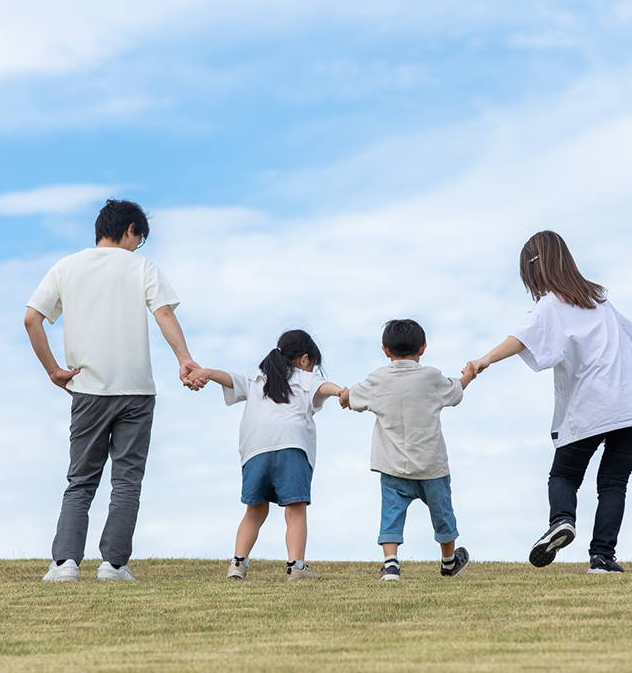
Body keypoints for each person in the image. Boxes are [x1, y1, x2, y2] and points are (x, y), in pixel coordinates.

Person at [466, 230, 632, 574]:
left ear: (534, 270)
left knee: (563, 475)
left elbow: (519, 339)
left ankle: (562, 520)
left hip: (595, 403)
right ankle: (602, 558)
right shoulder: (598, 298)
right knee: (613, 483)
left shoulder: (550, 304)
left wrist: (483, 361)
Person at [25, 199, 203, 583]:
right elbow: (164, 314)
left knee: (81, 479)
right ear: (130, 231)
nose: (137, 247)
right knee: (126, 480)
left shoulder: (65, 267)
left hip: (87, 389)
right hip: (136, 391)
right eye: (139, 239)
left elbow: (32, 319)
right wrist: (184, 358)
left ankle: (65, 565)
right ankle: (114, 566)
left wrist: (54, 370)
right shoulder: (142, 267)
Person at [187, 330, 344, 582]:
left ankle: (238, 564)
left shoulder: (256, 377)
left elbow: (227, 378)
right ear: (304, 360)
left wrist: (205, 372)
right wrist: (340, 392)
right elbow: (322, 385)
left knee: (254, 511)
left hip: (255, 449)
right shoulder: (304, 377)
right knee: (295, 511)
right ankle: (296, 567)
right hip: (291, 445)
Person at [340, 319, 474, 581]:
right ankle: (449, 562)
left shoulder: (377, 379)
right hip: (431, 465)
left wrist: (344, 396)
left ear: (385, 350)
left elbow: (351, 398)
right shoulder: (431, 377)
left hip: (392, 465)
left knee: (391, 514)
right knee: (442, 513)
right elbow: (456, 391)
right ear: (422, 348)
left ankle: (391, 565)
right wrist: (469, 374)